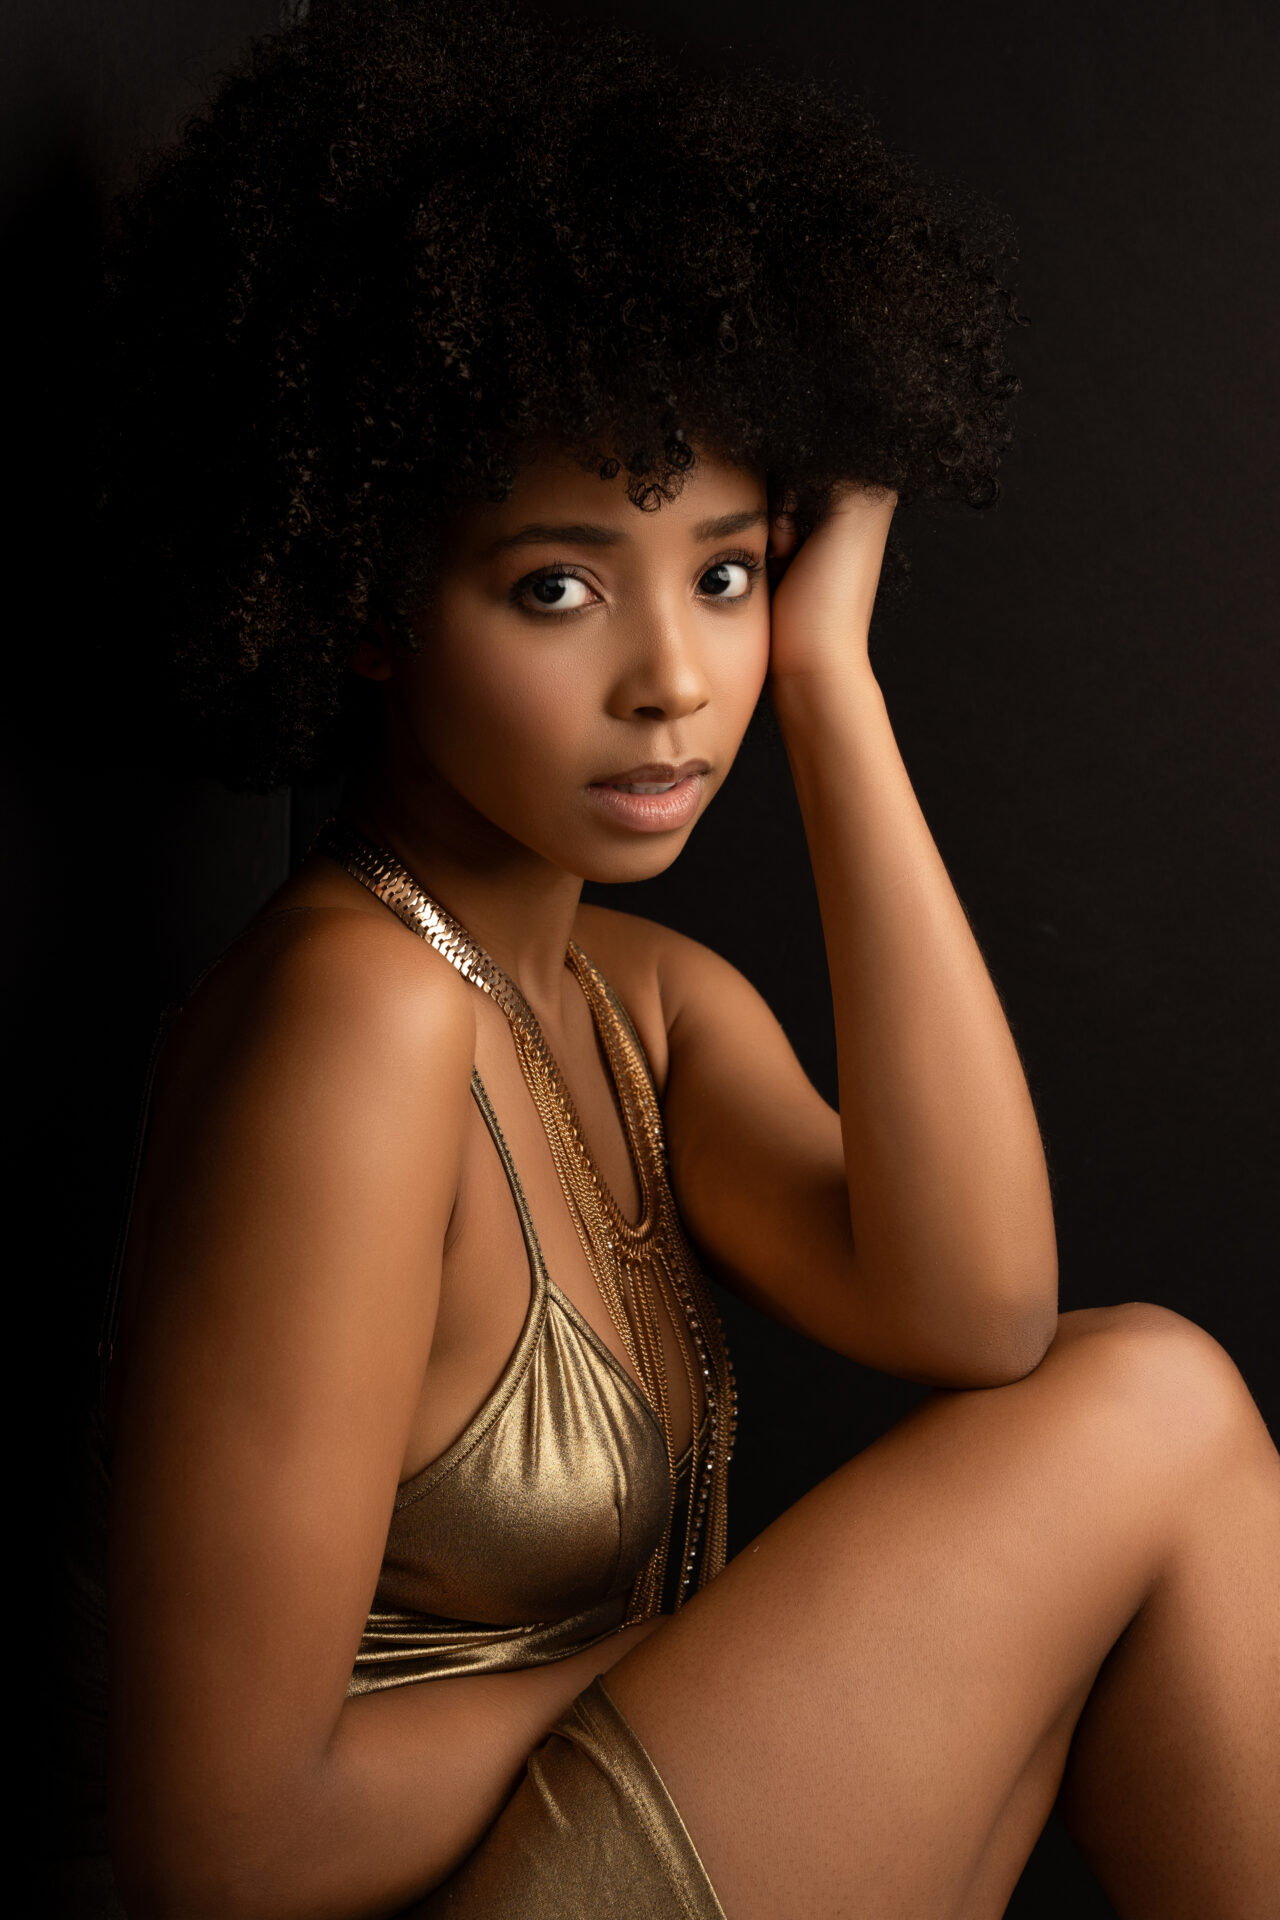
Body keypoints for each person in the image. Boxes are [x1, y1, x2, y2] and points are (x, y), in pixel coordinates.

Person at [61, 1, 1280, 1914]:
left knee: (1147, 1400)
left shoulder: (638, 1006)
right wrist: (774, 1661)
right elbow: (219, 1843)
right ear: (369, 599)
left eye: (724, 571)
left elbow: (978, 1322)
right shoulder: (353, 1019)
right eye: (558, 585)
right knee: (1159, 1405)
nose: (670, 681)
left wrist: (833, 688)